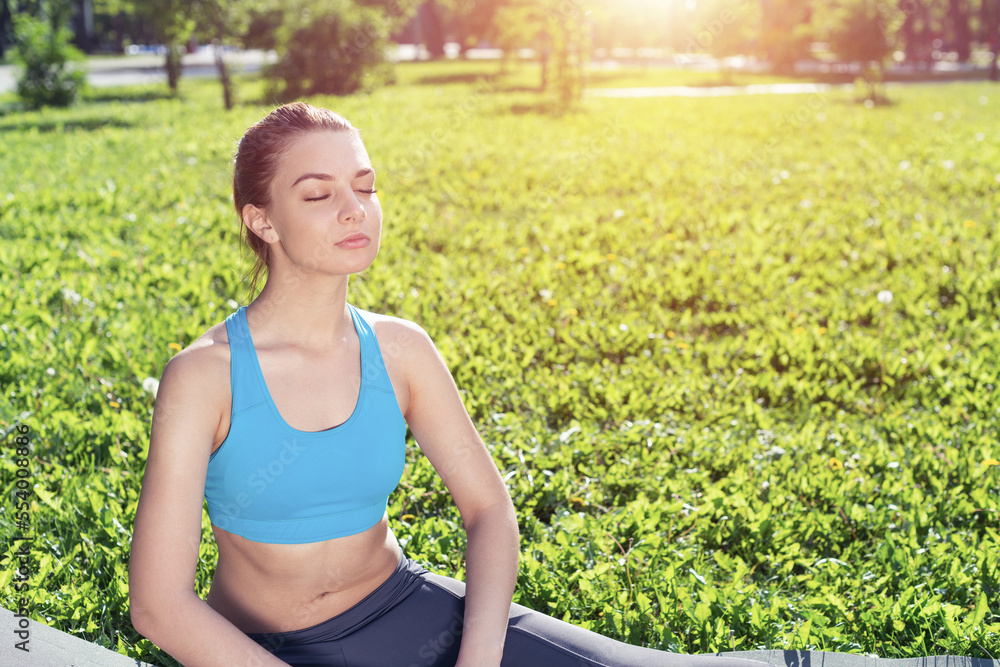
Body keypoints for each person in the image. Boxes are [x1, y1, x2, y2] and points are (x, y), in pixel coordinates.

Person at [128, 102, 770, 667]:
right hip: (255, 653)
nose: (356, 210)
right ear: (262, 221)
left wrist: (479, 656)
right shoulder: (205, 375)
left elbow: (489, 511)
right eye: (319, 195)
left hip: (409, 618)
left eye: (366, 187)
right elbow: (158, 606)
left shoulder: (400, 350)